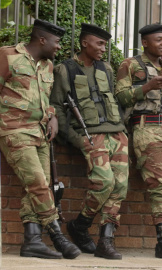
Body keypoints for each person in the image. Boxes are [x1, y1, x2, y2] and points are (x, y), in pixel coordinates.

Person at [0, 19, 81, 259]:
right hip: (15, 130)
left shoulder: (47, 66)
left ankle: (32, 241)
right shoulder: (7, 56)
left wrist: (53, 116)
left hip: (41, 132)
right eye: (56, 42)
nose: (58, 47)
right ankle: (57, 236)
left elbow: (44, 99)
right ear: (42, 39)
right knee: (38, 184)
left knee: (38, 186)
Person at [50, 23, 129, 260]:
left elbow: (112, 100)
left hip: (117, 133)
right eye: (100, 43)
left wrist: (122, 129)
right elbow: (57, 107)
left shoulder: (106, 68)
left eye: (105, 44)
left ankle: (106, 240)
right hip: (90, 135)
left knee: (120, 187)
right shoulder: (65, 69)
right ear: (85, 43)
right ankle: (80, 225)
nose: (104, 48)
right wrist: (75, 138)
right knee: (104, 182)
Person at [115, 23, 162, 260]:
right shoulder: (130, 65)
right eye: (159, 40)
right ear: (145, 43)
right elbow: (121, 97)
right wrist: (148, 86)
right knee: (159, 185)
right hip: (146, 126)